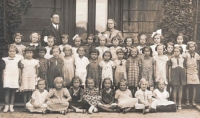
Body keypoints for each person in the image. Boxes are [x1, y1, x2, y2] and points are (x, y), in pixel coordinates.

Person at [2, 45, 22, 112]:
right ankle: (6, 106)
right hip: (7, 77)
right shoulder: (5, 59)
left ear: (16, 52)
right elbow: (3, 70)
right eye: (10, 51)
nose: (12, 53)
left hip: (14, 77)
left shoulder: (18, 60)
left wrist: (19, 78)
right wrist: (3, 78)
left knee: (13, 92)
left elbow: (19, 69)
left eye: (13, 51)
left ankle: (11, 106)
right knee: (7, 92)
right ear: (8, 52)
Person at [185, 41, 200, 106]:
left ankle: (193, 100)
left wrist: (197, 72)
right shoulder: (186, 55)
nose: (192, 48)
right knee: (187, 86)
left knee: (194, 86)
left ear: (195, 47)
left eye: (193, 47)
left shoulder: (197, 55)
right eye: (190, 47)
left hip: (194, 72)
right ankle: (187, 100)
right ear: (188, 48)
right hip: (188, 71)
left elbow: (198, 65)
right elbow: (184, 64)